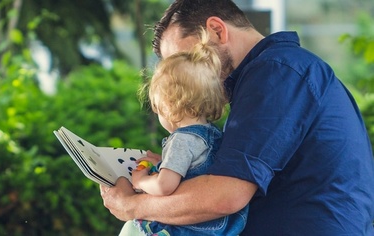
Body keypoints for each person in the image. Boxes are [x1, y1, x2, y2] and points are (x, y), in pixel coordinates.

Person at [101, 0, 374, 235]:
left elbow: (224, 196)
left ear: (217, 30)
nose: (183, 79)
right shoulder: (276, 71)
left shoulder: (275, 72)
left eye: (188, 60)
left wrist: (133, 206)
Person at [120, 28, 248, 236]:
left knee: (131, 230)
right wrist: (162, 163)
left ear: (168, 106)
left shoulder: (181, 140)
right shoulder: (211, 135)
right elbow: (190, 171)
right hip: (221, 228)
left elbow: (165, 186)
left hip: (190, 229)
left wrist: (141, 180)